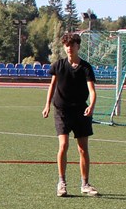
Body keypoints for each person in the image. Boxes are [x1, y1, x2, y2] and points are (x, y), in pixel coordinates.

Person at [42, 31, 99, 197]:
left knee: (83, 149)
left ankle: (85, 184)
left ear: (78, 46)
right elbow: (52, 86)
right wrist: (47, 105)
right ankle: (61, 183)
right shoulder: (58, 65)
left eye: (72, 45)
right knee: (63, 145)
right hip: (62, 111)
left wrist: (92, 106)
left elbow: (92, 90)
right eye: (66, 45)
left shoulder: (86, 67)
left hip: (81, 111)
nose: (69, 48)